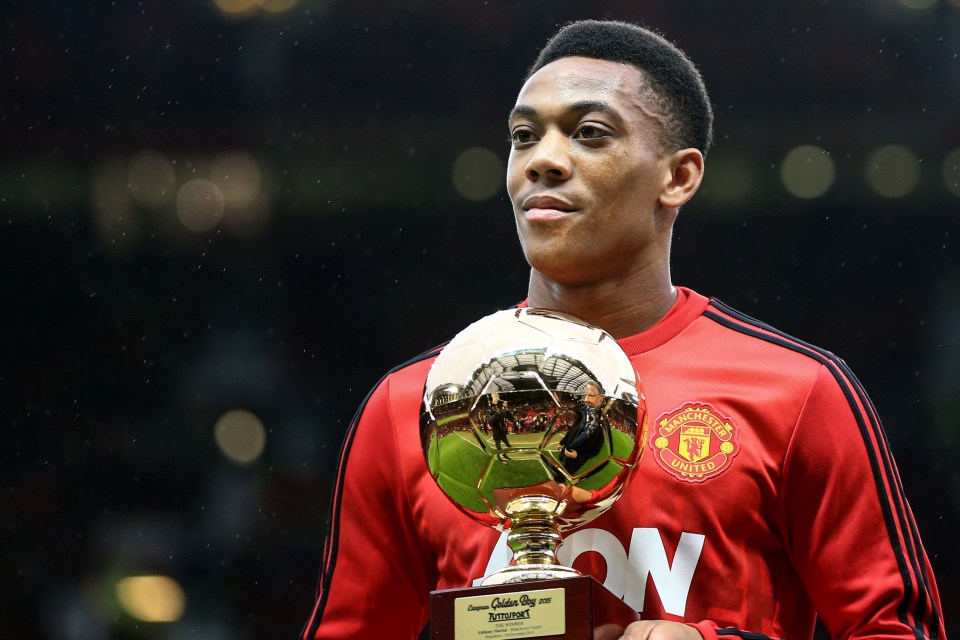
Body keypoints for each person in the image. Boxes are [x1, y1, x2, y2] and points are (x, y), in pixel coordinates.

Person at [300, 19, 945, 640]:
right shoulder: (414, 405)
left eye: (589, 133)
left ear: (678, 176)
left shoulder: (800, 394)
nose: (543, 160)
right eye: (524, 136)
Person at [559, 380, 607, 475]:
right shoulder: (582, 414)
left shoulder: (602, 424)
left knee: (567, 477)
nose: (586, 399)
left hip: (575, 462)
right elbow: (572, 430)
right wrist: (563, 442)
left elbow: (596, 451)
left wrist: (578, 456)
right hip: (566, 453)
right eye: (585, 395)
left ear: (601, 399)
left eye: (591, 395)